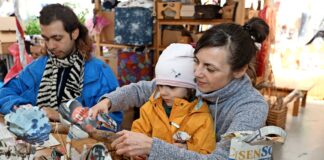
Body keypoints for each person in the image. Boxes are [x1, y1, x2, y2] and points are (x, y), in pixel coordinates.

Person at [90, 17, 269, 159]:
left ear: (239, 70)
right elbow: (143, 90)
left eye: (210, 68)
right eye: (196, 61)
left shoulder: (251, 108)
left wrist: (153, 147)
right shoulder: (195, 80)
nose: (197, 73)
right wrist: (108, 101)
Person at [0, 4, 123, 130]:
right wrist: (23, 108)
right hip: (41, 142)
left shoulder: (100, 72)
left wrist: (62, 117)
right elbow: (4, 93)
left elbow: (112, 124)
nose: (51, 46)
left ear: (74, 33)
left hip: (80, 146)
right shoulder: (39, 66)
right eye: (46, 39)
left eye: (57, 38)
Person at [131, 43, 215, 156]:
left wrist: (188, 149)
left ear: (190, 88)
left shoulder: (201, 117)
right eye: (160, 86)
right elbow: (137, 134)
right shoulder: (151, 108)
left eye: (172, 87)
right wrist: (137, 153)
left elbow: (207, 152)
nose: (163, 92)